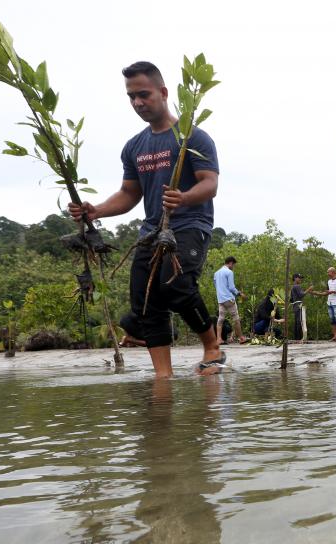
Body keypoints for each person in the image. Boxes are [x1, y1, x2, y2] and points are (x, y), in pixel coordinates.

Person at [68, 61, 223, 378]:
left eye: (143, 94)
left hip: (190, 225)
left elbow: (210, 184)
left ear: (163, 93)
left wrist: (183, 197)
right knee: (147, 301)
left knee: (177, 286)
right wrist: (95, 210)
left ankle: (212, 346)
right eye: (131, 97)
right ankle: (163, 377)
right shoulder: (134, 147)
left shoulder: (193, 137)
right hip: (151, 232)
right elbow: (128, 194)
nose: (138, 102)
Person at [213, 256, 248, 344]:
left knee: (220, 319)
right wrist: (240, 294)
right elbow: (232, 287)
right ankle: (241, 338)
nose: (233, 267)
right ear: (231, 263)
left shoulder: (216, 273)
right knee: (236, 318)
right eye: (234, 265)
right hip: (229, 299)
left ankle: (218, 339)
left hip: (220, 299)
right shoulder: (229, 272)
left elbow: (216, 285)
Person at [311, 267, 336, 342]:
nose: (327, 274)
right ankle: (335, 336)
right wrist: (316, 293)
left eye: (328, 272)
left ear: (333, 272)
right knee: (332, 320)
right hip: (329, 302)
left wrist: (333, 291)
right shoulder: (329, 281)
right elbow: (326, 292)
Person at [289, 273, 313, 341]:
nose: (300, 279)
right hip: (299, 305)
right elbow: (301, 295)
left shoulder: (293, 287)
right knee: (300, 322)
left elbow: (291, 299)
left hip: (295, 306)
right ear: (295, 278)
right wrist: (309, 289)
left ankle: (296, 338)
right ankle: (299, 338)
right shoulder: (297, 286)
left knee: (297, 322)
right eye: (299, 278)